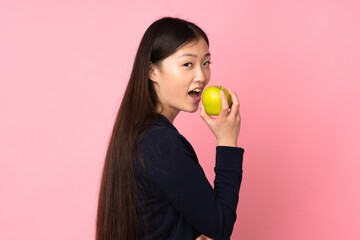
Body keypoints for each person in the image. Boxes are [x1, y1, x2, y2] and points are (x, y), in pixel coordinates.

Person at [96, 17, 244, 240]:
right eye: (188, 64)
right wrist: (227, 141)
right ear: (152, 72)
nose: (201, 77)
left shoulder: (142, 133)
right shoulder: (161, 142)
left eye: (206, 63)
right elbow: (220, 226)